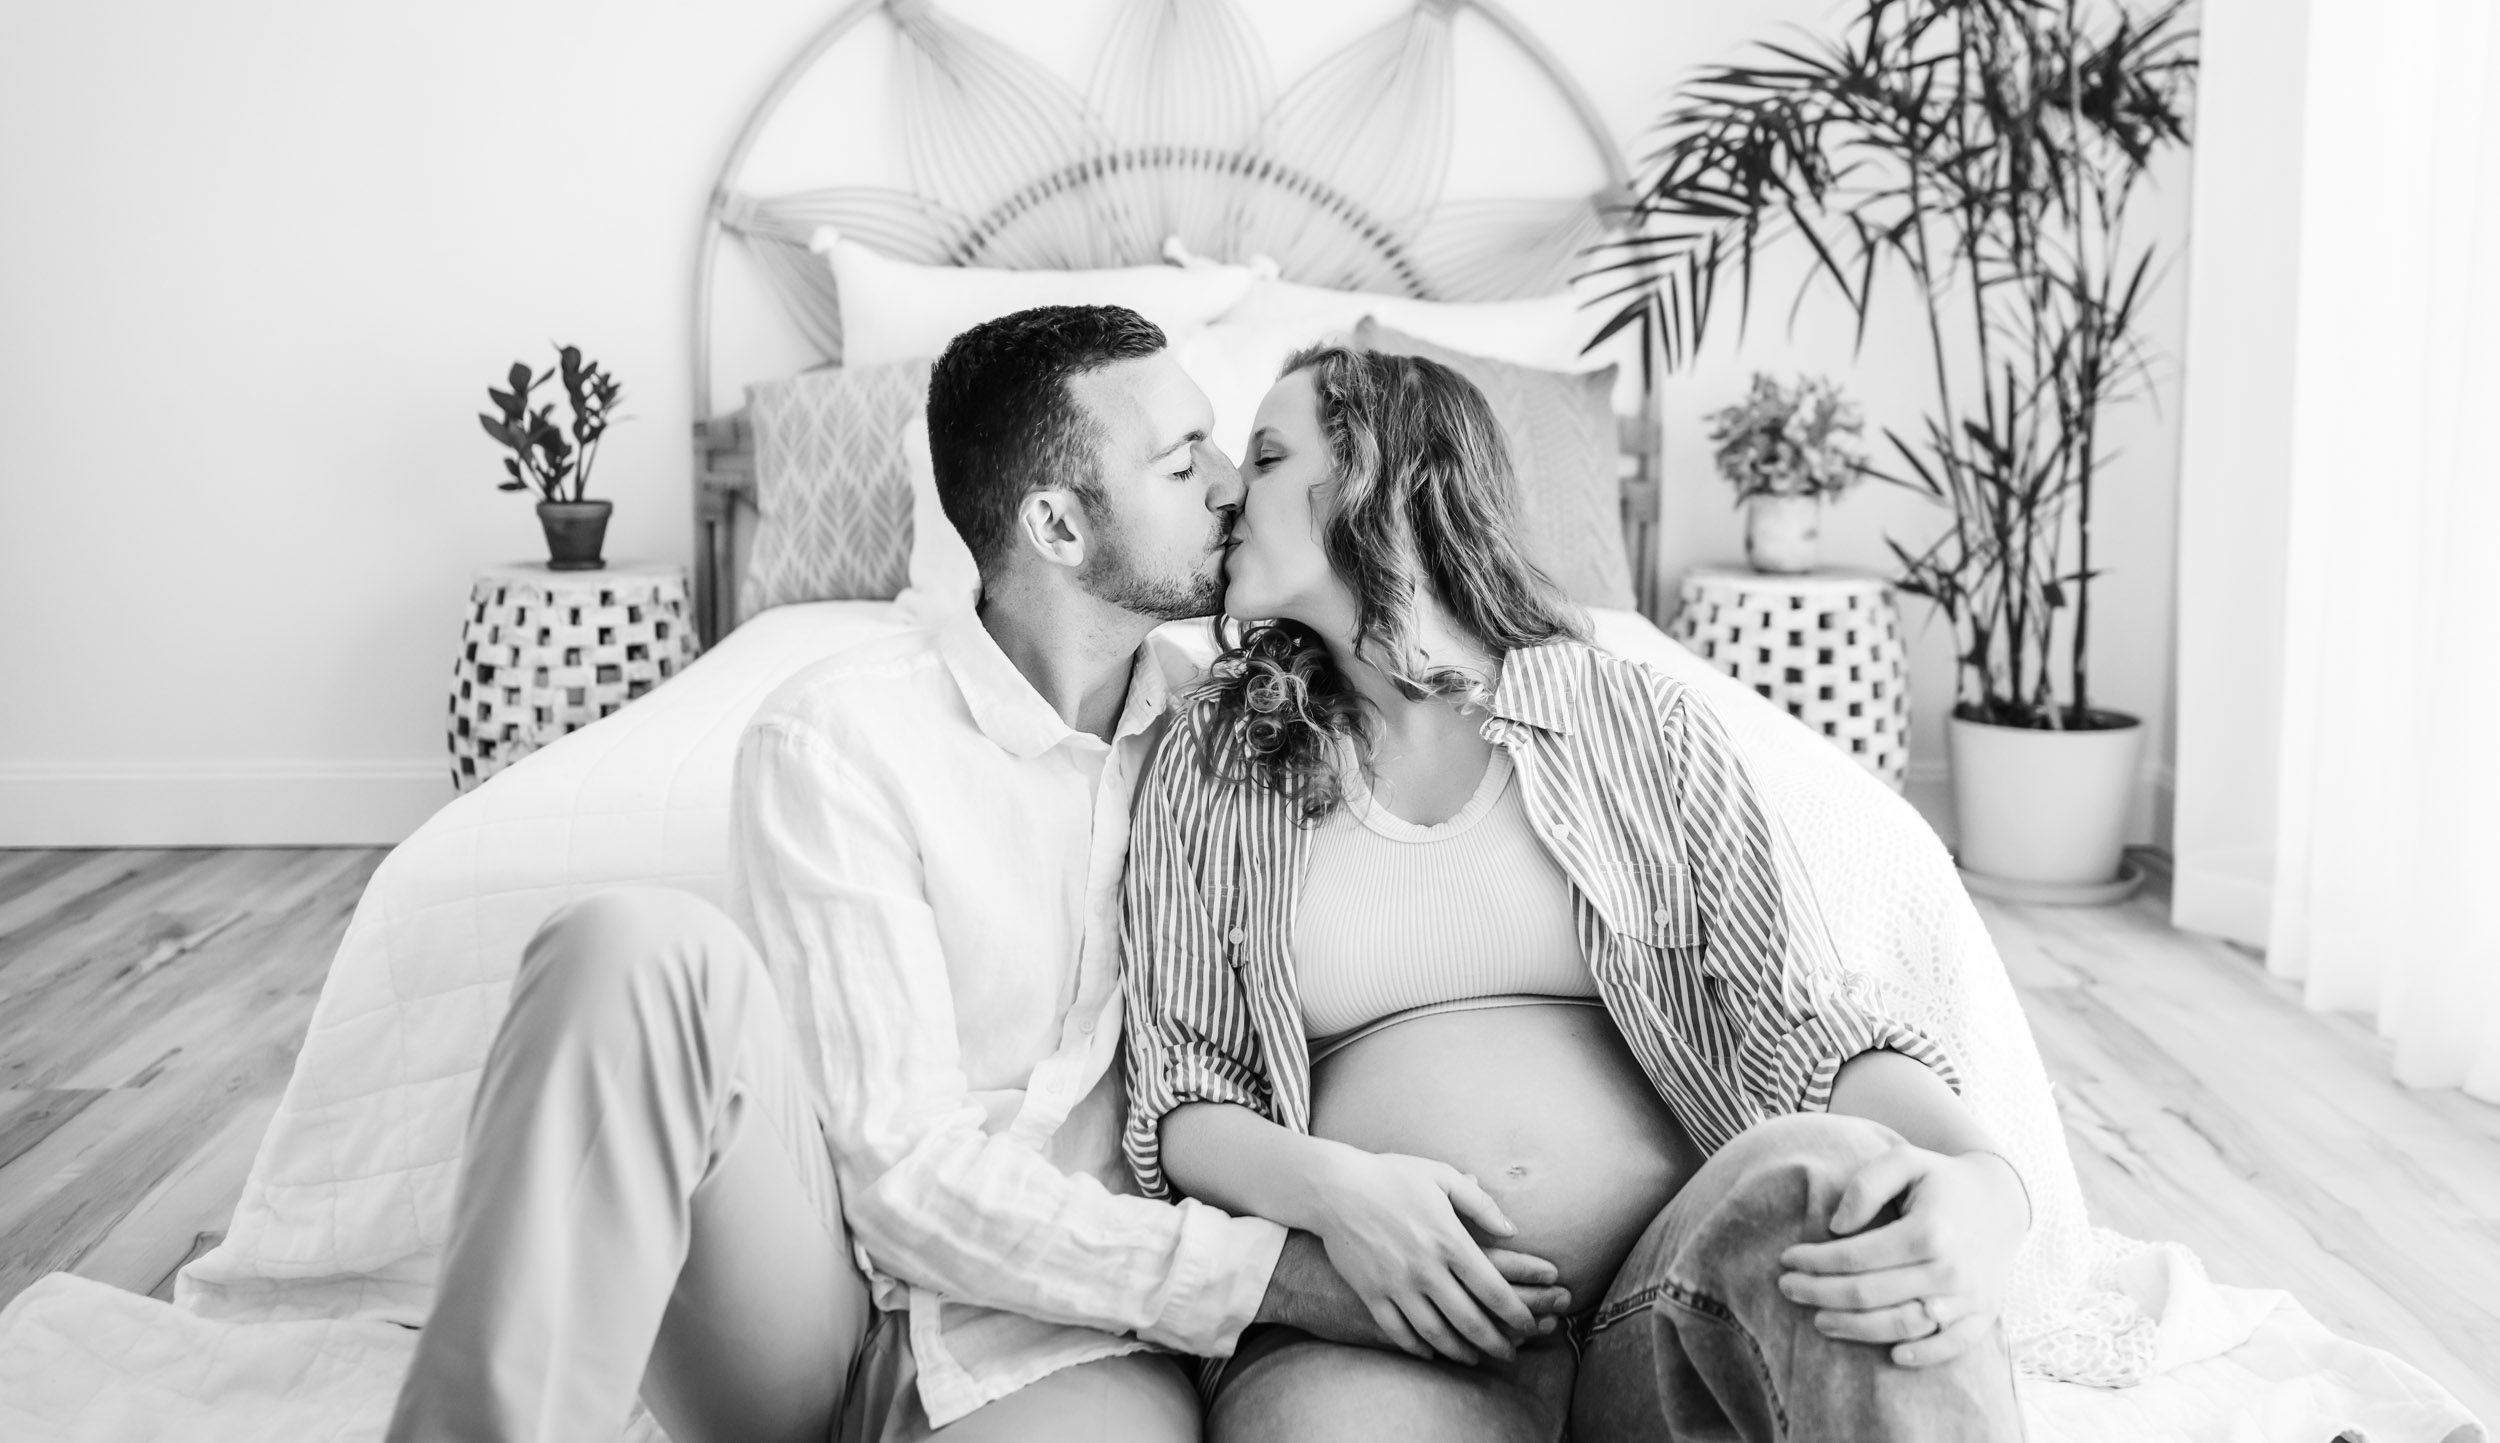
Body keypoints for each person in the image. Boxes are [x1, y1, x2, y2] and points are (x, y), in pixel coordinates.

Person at [381, 307, 1569, 1443]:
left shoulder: (1242, 734)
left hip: (1081, 1338)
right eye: (1180, 460)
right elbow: (899, 1170)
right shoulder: (839, 734)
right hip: (821, 1301)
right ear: (1056, 527)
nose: (1228, 484)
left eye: (1228, 445)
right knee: (627, 948)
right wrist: (1285, 1277)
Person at [1120, 345, 2035, 1441]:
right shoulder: (1218, 753)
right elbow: (1183, 1090)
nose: (1225, 488)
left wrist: (1987, 1181)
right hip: (1378, 1317)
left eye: (1266, 455)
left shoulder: (1634, 718)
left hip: (1669, 1298)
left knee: (1843, 1183)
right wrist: (1338, 1194)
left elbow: (1803, 1018)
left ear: (1382, 475)